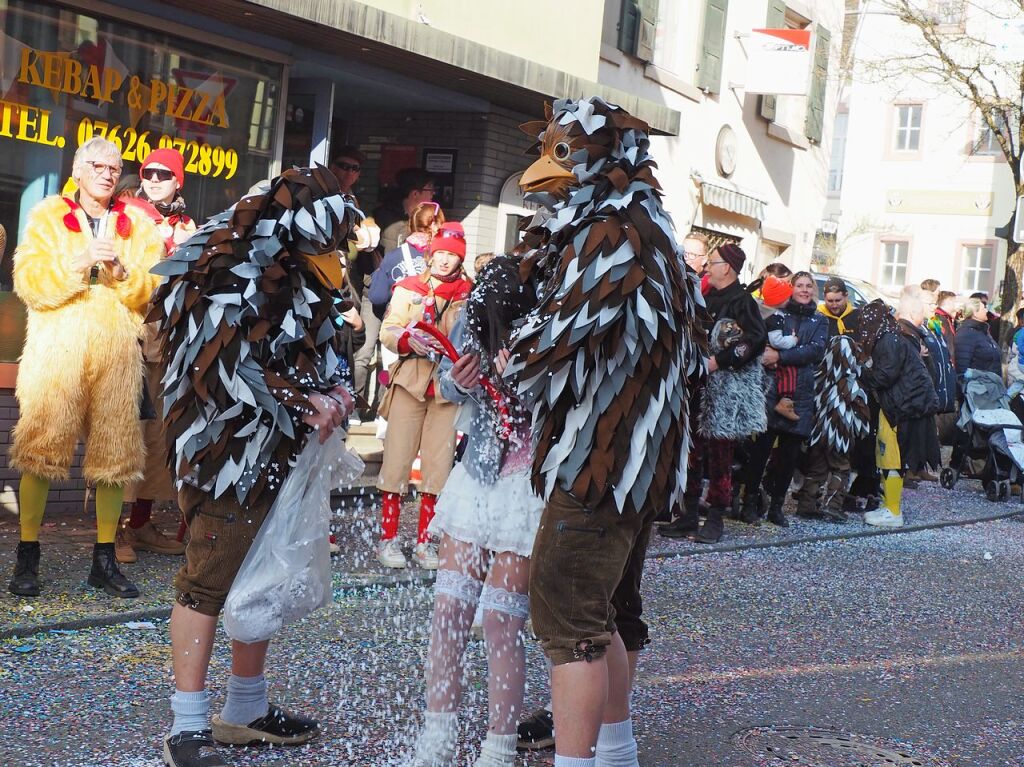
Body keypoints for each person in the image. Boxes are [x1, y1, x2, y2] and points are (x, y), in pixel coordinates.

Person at [507, 97, 705, 767]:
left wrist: (507, 350)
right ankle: (616, 752)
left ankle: (578, 761)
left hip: (600, 460)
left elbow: (557, 344)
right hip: (633, 461)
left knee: (570, 620)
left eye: (563, 155)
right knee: (610, 611)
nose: (542, 174)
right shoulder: (654, 231)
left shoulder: (613, 235)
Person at [152, 167, 358, 767]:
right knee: (209, 577)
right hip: (227, 454)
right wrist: (301, 400)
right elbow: (219, 364)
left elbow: (328, 349)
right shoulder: (219, 262)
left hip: (286, 453)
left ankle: (245, 708)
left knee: (263, 576)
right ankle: (185, 727)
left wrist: (338, 395)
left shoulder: (308, 270)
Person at [6, 137, 163, 599]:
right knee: (40, 451)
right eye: (96, 165)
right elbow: (29, 283)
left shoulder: (138, 223)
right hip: (58, 354)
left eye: (114, 167)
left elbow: (154, 292)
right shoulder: (49, 215)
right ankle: (27, 555)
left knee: (115, 460)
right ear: (77, 168)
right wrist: (78, 265)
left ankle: (104, 560)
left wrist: (123, 274)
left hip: (117, 355)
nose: (106, 173)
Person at [410, 256, 543, 767]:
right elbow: (445, 384)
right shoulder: (471, 314)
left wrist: (528, 378)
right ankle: (437, 738)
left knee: (499, 622)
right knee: (448, 613)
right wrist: (461, 380)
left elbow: (569, 404)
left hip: (526, 484)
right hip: (478, 473)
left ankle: (499, 747)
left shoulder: (549, 325)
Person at [374, 222, 473, 570]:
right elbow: (388, 330)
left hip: (447, 391)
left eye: (452, 255)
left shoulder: (469, 294)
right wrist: (406, 339)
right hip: (410, 383)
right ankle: (388, 539)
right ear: (431, 253)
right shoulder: (409, 287)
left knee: (437, 467)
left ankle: (425, 542)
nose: (445, 261)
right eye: (441, 253)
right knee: (397, 462)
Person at [116, 148, 196, 564]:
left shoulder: (186, 224)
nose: (155, 178)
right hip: (129, 335)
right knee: (120, 433)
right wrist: (169, 250)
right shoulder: (127, 215)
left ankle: (140, 524)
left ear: (178, 180)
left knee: (159, 437)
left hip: (168, 342)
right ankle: (110, 530)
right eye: (149, 172)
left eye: (165, 174)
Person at [659, 244, 767, 543]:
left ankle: (716, 517)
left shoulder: (743, 301)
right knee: (691, 452)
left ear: (728, 268)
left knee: (720, 456)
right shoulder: (706, 296)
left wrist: (720, 361)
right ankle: (689, 513)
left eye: (714, 261)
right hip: (698, 385)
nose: (707, 266)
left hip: (723, 389)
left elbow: (756, 340)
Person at [739, 271, 827, 527]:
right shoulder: (778, 314)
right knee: (760, 450)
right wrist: (783, 352)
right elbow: (763, 342)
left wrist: (781, 356)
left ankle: (777, 505)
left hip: (801, 393)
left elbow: (815, 350)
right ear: (792, 288)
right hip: (771, 389)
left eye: (809, 286)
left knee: (788, 456)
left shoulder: (819, 321)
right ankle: (750, 502)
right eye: (799, 285)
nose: (804, 290)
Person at [856, 300, 937, 527]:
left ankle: (893, 511)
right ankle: (889, 505)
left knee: (892, 458)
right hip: (902, 405)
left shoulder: (888, 341)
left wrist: (859, 370)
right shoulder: (893, 337)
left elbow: (884, 376)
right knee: (888, 458)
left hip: (902, 408)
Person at [368, 201, 444, 318]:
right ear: (437, 225)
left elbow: (377, 297)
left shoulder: (392, 257)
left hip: (400, 327)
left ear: (411, 224)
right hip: (434, 328)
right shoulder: (445, 259)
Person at [895, 290, 941, 483]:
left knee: (924, 431)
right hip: (910, 393)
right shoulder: (903, 332)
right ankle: (908, 469)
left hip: (921, 392)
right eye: (921, 312)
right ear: (913, 313)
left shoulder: (915, 332)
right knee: (910, 432)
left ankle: (920, 466)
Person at [376, 168, 437, 253]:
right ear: (415, 194)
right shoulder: (390, 220)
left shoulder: (423, 217)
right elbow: (389, 258)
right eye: (430, 190)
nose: (433, 193)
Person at [954, 295, 1002, 384]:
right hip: (978, 391)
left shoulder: (983, 331)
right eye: (983, 308)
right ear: (975, 313)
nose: (987, 310)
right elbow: (962, 369)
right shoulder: (966, 334)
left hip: (991, 389)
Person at [931, 290, 958, 365]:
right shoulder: (936, 318)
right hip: (944, 361)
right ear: (948, 302)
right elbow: (939, 340)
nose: (955, 305)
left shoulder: (946, 318)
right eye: (954, 302)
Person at [1007, 308, 1024, 399]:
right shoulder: (1019, 334)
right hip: (1017, 370)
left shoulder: (1013, 332)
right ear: (1021, 321)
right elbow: (1015, 351)